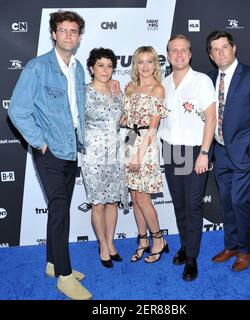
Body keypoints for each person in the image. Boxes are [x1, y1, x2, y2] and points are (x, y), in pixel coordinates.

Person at [8, 10, 92, 300]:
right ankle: (65, 277)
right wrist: (39, 142)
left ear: (79, 37)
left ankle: (53, 263)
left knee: (60, 210)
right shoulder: (37, 67)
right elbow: (17, 110)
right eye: (63, 30)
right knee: (59, 213)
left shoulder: (78, 68)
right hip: (50, 152)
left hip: (71, 150)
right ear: (54, 34)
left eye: (74, 31)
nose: (69, 35)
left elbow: (77, 108)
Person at [206, 31, 250, 272]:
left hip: (245, 153)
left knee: (239, 201)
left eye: (224, 47)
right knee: (226, 202)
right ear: (211, 56)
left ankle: (245, 251)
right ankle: (231, 245)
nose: (220, 52)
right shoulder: (210, 78)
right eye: (215, 49)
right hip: (220, 152)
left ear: (233, 49)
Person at [158, 34, 216, 281]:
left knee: (193, 206)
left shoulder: (201, 81)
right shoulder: (164, 82)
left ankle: (192, 257)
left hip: (195, 151)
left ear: (190, 54)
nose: (179, 54)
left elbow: (211, 119)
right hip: (171, 149)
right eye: (174, 50)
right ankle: (185, 245)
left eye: (183, 50)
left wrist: (204, 152)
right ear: (168, 55)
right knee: (180, 203)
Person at [123, 46, 168, 264]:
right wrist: (128, 151)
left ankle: (158, 239)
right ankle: (143, 240)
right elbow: (130, 125)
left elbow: (151, 128)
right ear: (135, 65)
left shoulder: (157, 89)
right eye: (140, 62)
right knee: (134, 196)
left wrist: (138, 157)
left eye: (149, 61)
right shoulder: (131, 88)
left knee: (143, 197)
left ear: (155, 65)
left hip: (147, 149)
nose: (145, 66)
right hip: (130, 143)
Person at [81, 48, 125, 268]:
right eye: (100, 65)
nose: (105, 70)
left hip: (115, 155)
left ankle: (110, 241)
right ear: (91, 67)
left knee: (113, 202)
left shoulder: (117, 91)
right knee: (98, 204)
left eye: (109, 65)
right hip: (93, 156)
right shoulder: (83, 92)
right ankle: (103, 245)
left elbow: (123, 119)